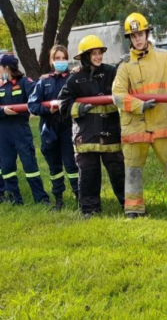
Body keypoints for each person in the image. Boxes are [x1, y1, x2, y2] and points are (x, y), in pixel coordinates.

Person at [112, 13, 167, 219]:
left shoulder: (164, 57)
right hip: (135, 127)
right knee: (133, 169)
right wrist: (139, 105)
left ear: (147, 33)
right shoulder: (124, 66)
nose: (137, 39)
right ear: (129, 39)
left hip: (161, 123)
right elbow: (118, 96)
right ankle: (133, 208)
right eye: (133, 36)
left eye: (140, 34)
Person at [58, 36, 125, 218]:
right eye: (93, 54)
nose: (98, 57)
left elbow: (124, 88)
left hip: (110, 133)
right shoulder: (75, 79)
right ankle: (90, 210)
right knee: (88, 174)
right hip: (85, 136)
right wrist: (80, 108)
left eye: (100, 53)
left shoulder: (111, 72)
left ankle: (129, 205)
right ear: (85, 56)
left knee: (118, 171)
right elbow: (63, 103)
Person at [28, 45, 79, 210]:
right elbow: (32, 105)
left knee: (71, 165)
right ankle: (58, 200)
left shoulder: (73, 78)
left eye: (63, 58)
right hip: (49, 128)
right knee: (54, 167)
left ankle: (80, 198)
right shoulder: (44, 81)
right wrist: (46, 110)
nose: (60, 61)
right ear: (52, 61)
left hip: (68, 127)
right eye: (57, 58)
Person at [0, 54, 50, 206]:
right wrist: (3, 112)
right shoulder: (1, 85)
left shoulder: (24, 82)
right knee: (7, 167)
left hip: (20, 129)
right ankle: (15, 199)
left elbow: (38, 94)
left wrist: (46, 80)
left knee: (30, 165)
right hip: (3, 132)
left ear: (6, 67)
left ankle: (41, 199)